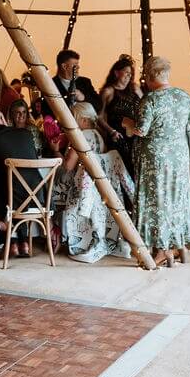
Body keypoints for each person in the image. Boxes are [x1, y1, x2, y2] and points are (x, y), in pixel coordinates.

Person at [123, 56, 190, 267]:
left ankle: (162, 249)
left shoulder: (151, 100)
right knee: (176, 200)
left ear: (148, 76)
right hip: (179, 158)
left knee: (156, 202)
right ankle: (179, 244)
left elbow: (140, 130)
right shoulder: (183, 96)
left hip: (155, 161)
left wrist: (127, 122)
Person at [56, 102, 134, 262]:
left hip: (83, 191)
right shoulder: (99, 135)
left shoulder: (81, 137)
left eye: (74, 119)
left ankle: (53, 236)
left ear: (83, 120)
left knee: (50, 191)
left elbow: (68, 166)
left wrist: (56, 150)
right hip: (101, 192)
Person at [0, 110, 39, 258]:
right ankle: (23, 242)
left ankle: (10, 242)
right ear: (4, 119)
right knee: (7, 184)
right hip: (36, 195)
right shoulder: (26, 134)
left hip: (9, 199)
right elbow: (35, 159)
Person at [97, 54, 143, 175]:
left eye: (131, 73)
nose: (129, 75)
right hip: (118, 137)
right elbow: (99, 117)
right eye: (126, 72)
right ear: (117, 73)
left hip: (136, 136)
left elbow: (144, 108)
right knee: (124, 171)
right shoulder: (108, 91)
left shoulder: (135, 88)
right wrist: (111, 131)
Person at [43, 49, 99, 117]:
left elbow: (98, 105)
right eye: (75, 65)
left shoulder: (85, 82)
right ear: (64, 66)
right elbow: (47, 111)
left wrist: (83, 98)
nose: (78, 67)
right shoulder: (50, 85)